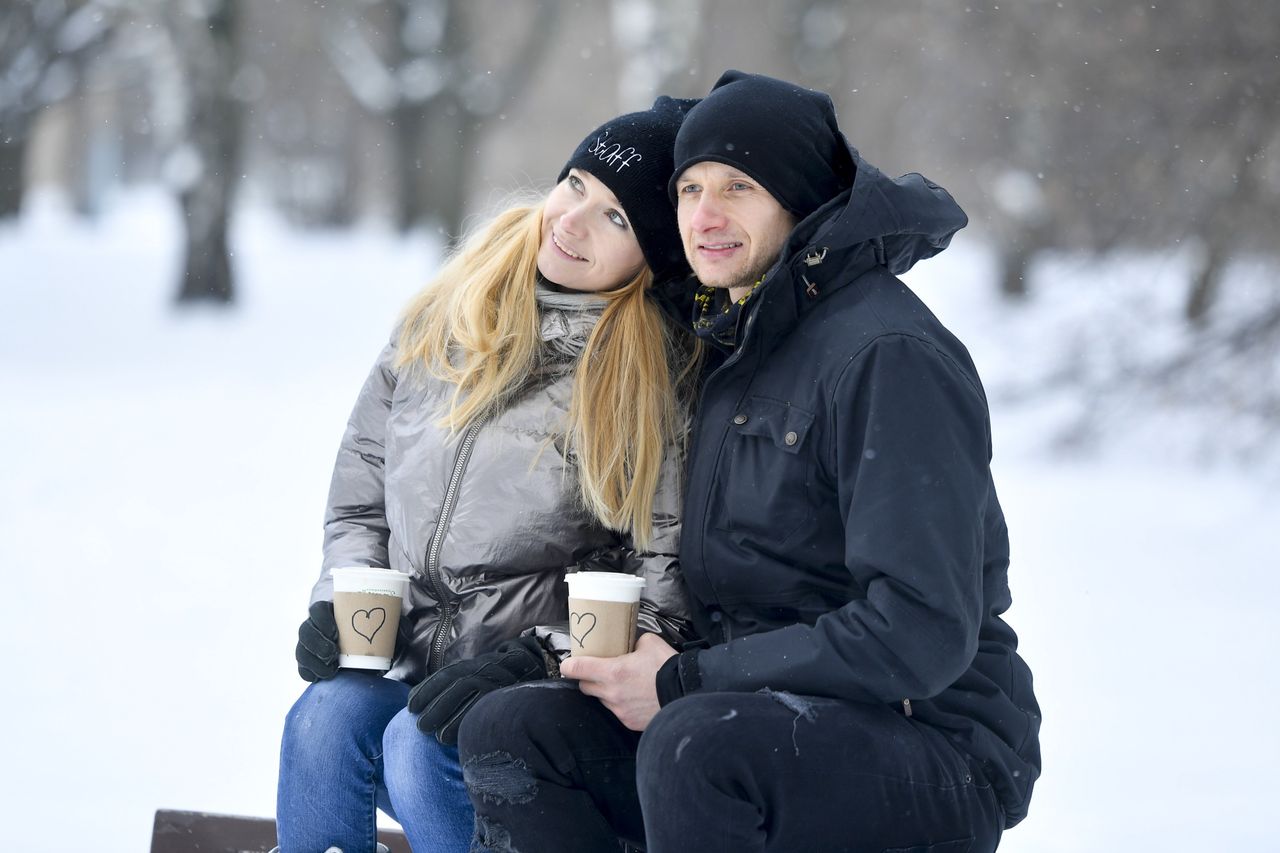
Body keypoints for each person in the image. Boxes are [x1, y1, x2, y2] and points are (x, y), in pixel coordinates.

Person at [457, 70, 1042, 853]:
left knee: (695, 742)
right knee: (516, 728)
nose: (705, 215)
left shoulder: (886, 355)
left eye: (739, 187)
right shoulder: (735, 335)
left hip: (932, 744)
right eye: (690, 187)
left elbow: (919, 631)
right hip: (752, 718)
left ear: (799, 203)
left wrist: (687, 682)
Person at [274, 97, 699, 853]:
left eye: (616, 218)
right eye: (574, 184)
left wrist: (539, 651)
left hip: (530, 708)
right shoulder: (445, 317)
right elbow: (360, 502)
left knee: (418, 739)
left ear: (651, 257)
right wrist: (338, 603)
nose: (570, 221)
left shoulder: (647, 382)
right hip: (411, 671)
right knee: (326, 716)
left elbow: (660, 585)